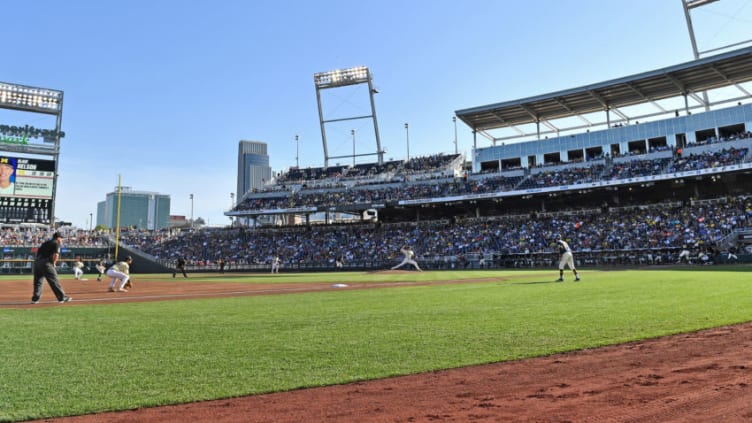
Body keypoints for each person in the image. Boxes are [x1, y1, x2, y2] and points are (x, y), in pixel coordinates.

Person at [31, 232, 72, 304]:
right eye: (61, 238)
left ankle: (35, 299)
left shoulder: (46, 243)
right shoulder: (56, 243)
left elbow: (38, 253)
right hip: (46, 263)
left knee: (38, 282)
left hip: (37, 263)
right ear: (58, 238)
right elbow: (56, 255)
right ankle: (62, 297)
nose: (61, 240)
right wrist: (54, 263)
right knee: (54, 280)